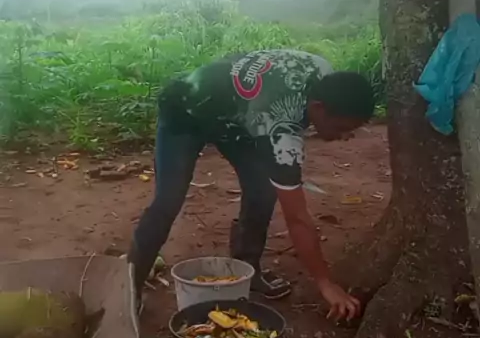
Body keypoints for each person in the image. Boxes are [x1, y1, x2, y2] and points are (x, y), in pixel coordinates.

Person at [128, 49, 374, 320]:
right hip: (185, 109)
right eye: (341, 128)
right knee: (168, 201)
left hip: (238, 118)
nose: (345, 137)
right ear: (318, 107)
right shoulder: (280, 129)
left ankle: (246, 269)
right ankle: (129, 286)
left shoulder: (322, 71)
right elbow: (297, 218)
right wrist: (325, 283)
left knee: (262, 189)